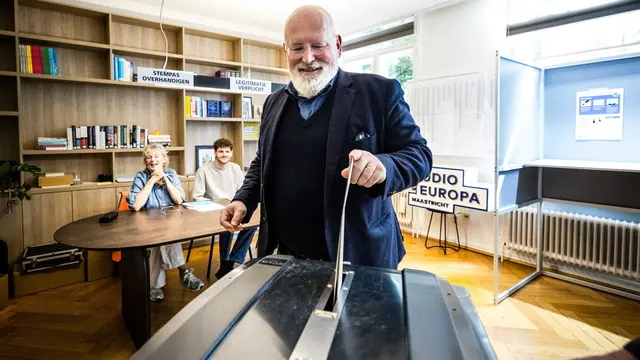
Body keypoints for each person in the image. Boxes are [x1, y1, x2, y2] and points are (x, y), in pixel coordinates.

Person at [219, 5, 432, 269]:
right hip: (286, 256)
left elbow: (419, 155)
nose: (307, 58)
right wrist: (244, 199)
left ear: (338, 45)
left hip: (360, 256)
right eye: (297, 48)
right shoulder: (274, 103)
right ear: (286, 51)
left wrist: (384, 166)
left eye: (318, 45)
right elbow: (264, 161)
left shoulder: (379, 92)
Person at [128, 144, 205, 301]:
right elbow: (136, 205)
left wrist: (166, 180)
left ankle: (154, 286)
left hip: (168, 224)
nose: (153, 160)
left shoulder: (171, 174)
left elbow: (179, 200)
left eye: (157, 156)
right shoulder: (141, 177)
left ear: (164, 160)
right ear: (145, 161)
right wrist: (151, 181)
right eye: (149, 157)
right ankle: (183, 272)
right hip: (146, 225)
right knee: (162, 238)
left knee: (162, 239)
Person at [192, 138, 256, 279]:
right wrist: (217, 205)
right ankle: (224, 261)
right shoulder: (203, 170)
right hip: (212, 210)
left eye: (227, 151)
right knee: (227, 225)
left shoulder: (235, 168)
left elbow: (242, 190)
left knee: (252, 224)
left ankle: (231, 261)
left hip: (233, 207)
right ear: (215, 153)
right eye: (221, 151)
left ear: (231, 153)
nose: (224, 154)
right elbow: (197, 197)